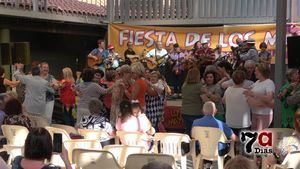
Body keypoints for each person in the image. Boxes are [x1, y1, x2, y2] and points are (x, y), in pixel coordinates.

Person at [244, 64, 275, 131]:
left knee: (259, 135)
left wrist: (254, 95)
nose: (254, 73)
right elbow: (247, 91)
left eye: (256, 71)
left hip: (264, 114)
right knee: (254, 135)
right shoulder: (257, 82)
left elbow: (269, 98)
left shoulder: (269, 82)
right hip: (254, 112)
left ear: (262, 72)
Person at [223, 70, 251, 136]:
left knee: (231, 144)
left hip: (230, 121)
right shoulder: (246, 92)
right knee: (244, 143)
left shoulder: (228, 89)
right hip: (243, 123)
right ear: (244, 80)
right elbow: (251, 104)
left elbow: (223, 101)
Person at [181, 68, 204, 135]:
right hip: (196, 112)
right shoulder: (199, 86)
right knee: (197, 133)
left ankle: (188, 145)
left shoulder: (184, 85)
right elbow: (204, 98)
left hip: (185, 111)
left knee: (188, 132)